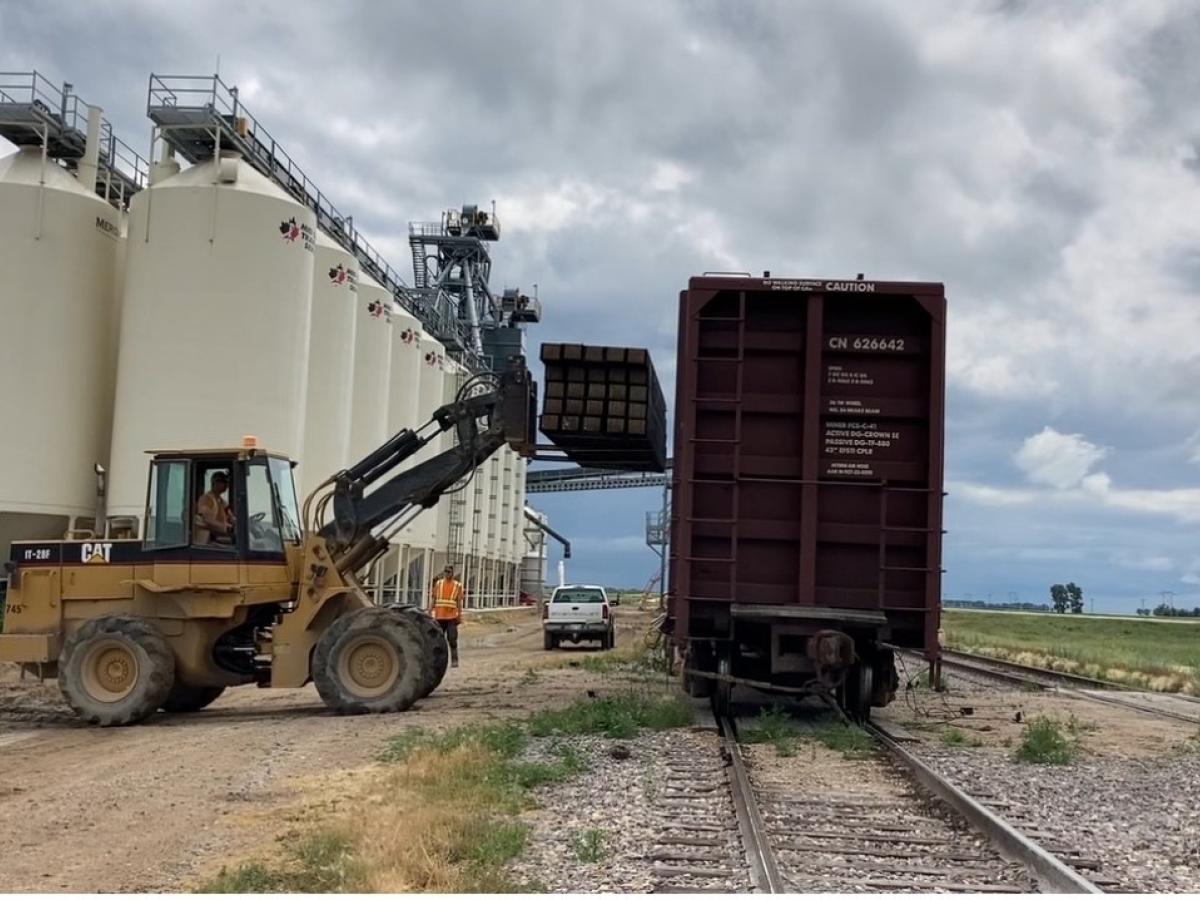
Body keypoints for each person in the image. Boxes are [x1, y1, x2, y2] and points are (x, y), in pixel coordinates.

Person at [430, 565, 465, 667]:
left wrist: (459, 615)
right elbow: (434, 599)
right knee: (437, 640)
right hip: (439, 616)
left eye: (449, 572)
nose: (447, 573)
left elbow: (459, 602)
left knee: (452, 639)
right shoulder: (439, 584)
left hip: (451, 617)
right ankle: (437, 661)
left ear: (452, 573)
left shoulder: (457, 586)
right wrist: (429, 612)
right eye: (446, 572)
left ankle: (454, 660)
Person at [195, 471, 235, 545]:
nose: (227, 485)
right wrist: (227, 528)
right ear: (215, 483)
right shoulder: (206, 498)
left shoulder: (221, 501)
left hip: (218, 536)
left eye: (227, 482)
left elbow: (230, 516)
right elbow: (207, 520)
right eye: (224, 482)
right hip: (206, 540)